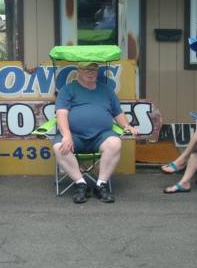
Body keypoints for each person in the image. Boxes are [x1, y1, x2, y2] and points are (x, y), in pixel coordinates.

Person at [53, 61, 138, 204]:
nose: (91, 73)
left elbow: (117, 112)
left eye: (94, 70)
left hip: (101, 136)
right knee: (59, 147)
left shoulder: (106, 90)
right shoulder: (68, 90)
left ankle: (101, 185)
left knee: (115, 143)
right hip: (75, 136)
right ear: (78, 71)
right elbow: (61, 114)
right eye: (87, 70)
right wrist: (67, 136)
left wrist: (126, 126)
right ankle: (81, 184)